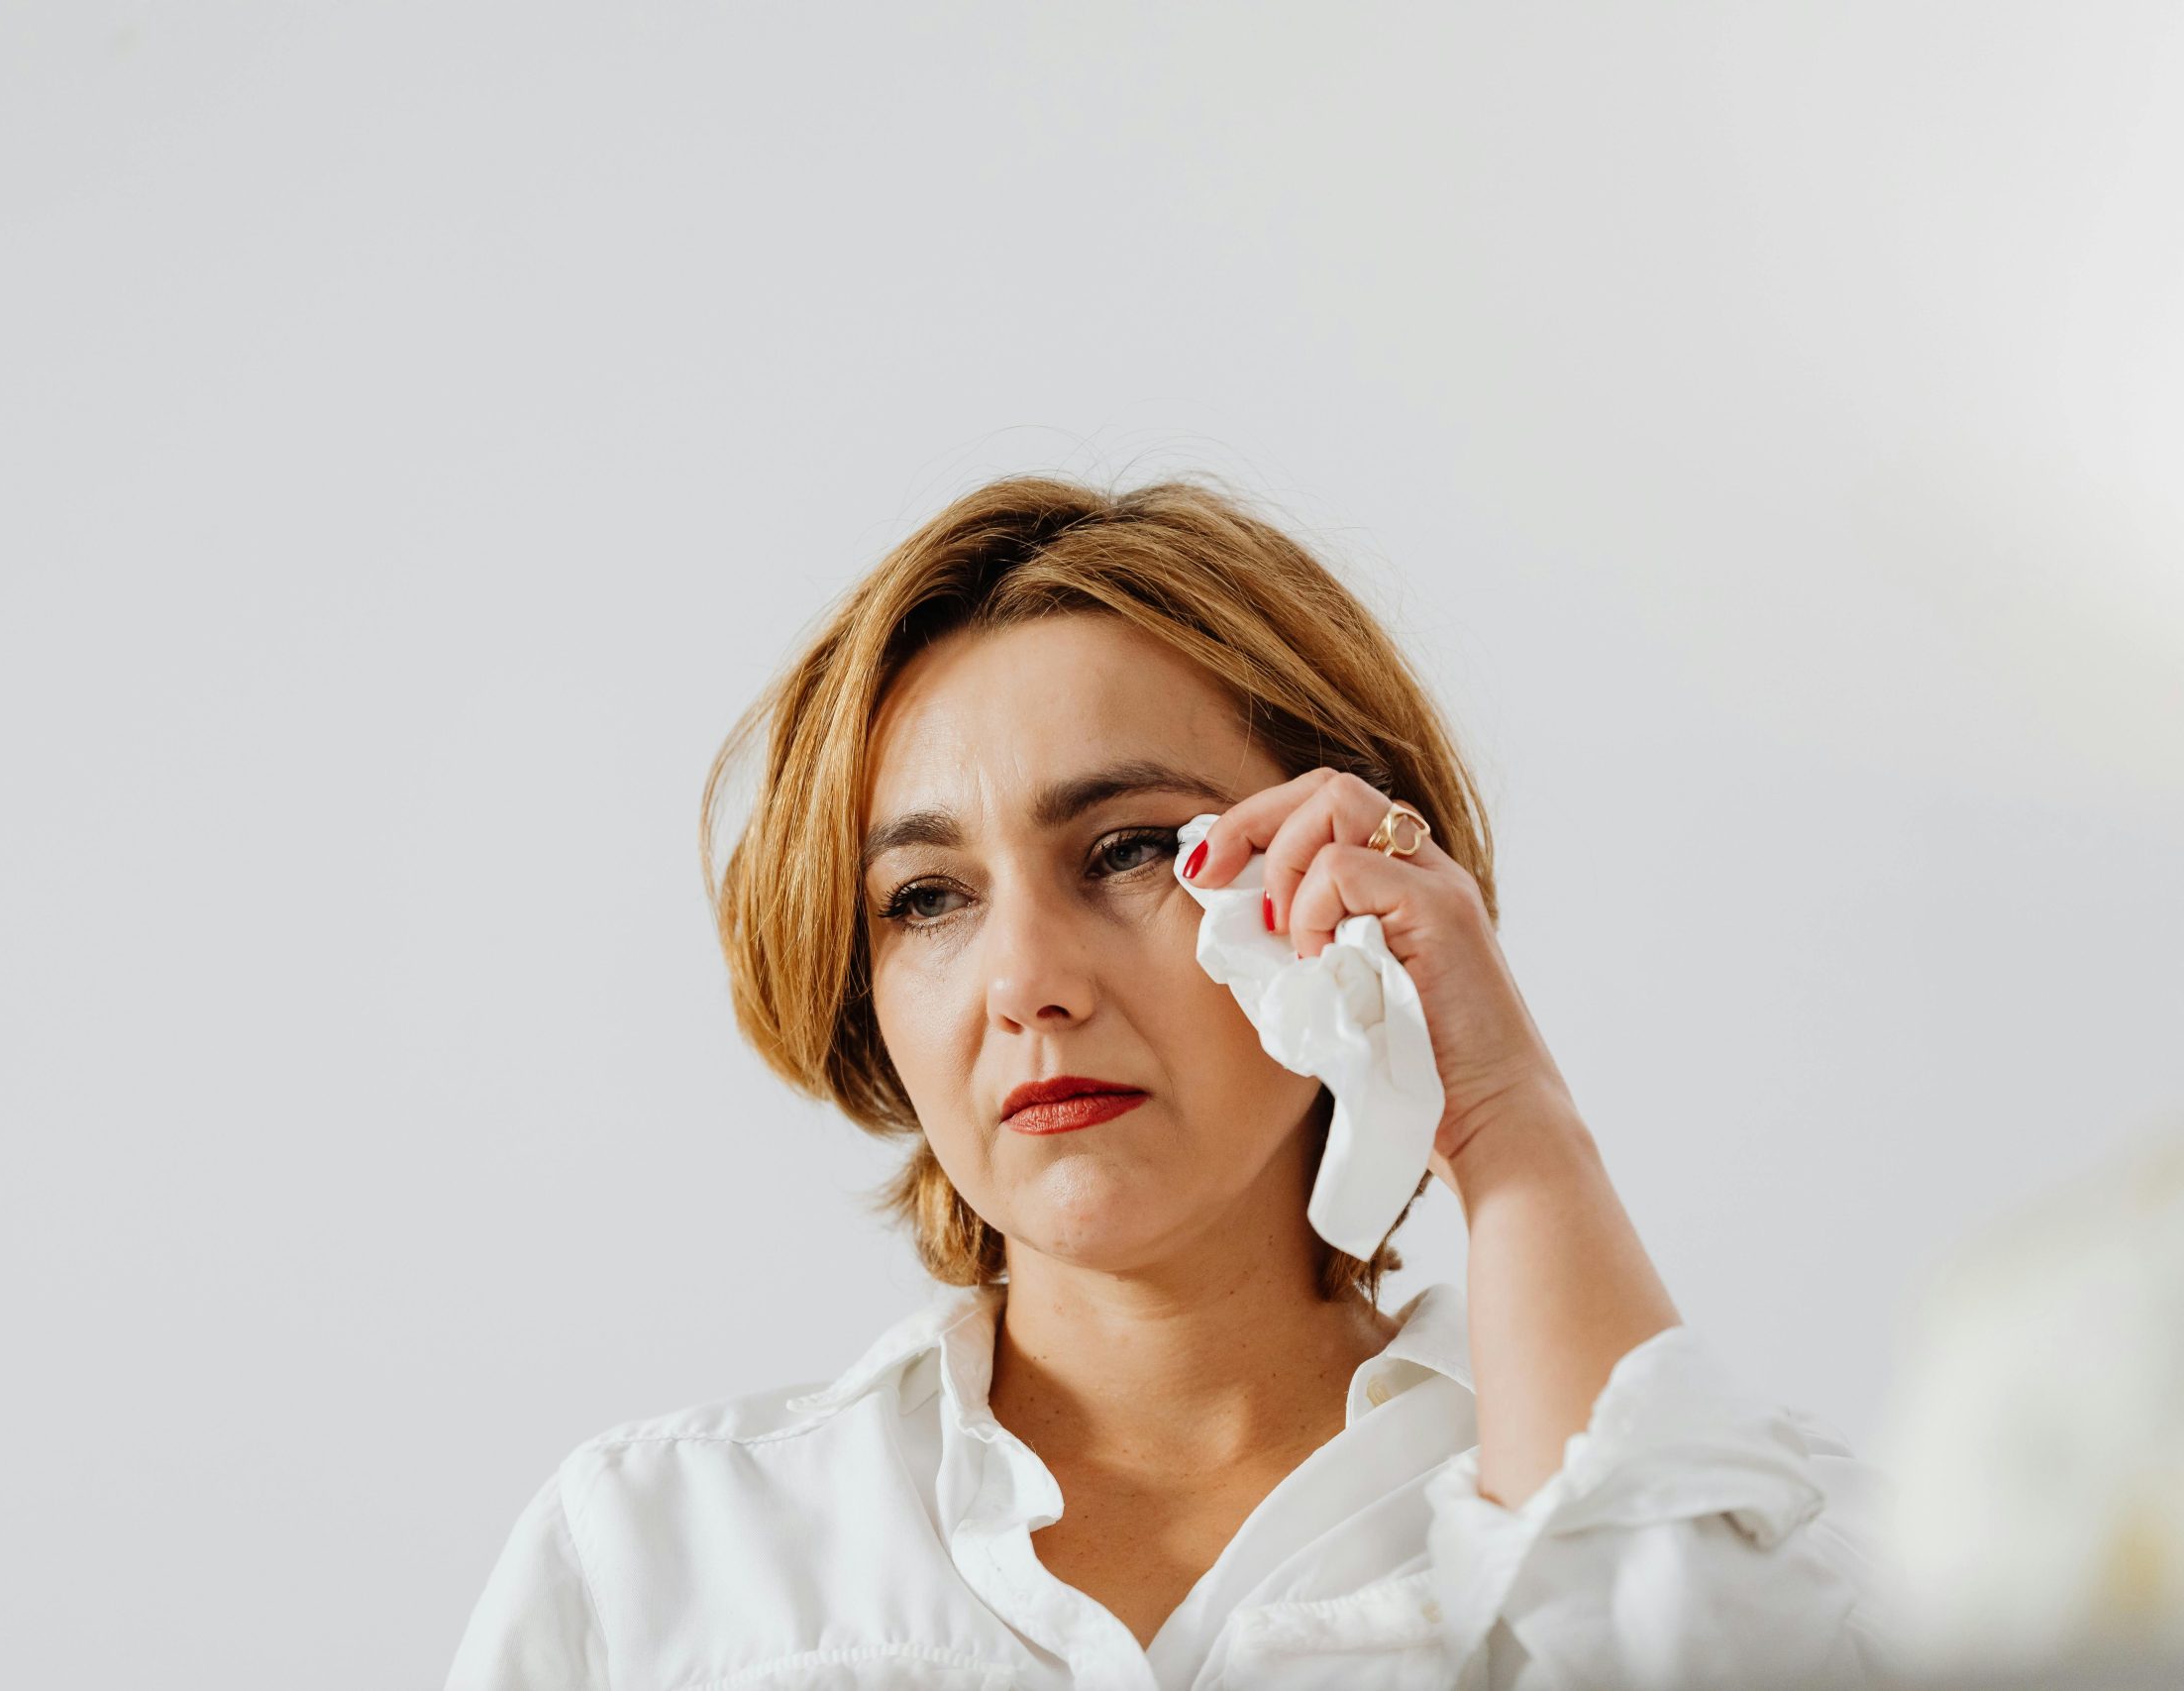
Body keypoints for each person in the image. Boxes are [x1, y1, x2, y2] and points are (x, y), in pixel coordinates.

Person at [444, 476, 1892, 1691]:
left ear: (1346, 884)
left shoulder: (1754, 1523)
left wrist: (1509, 1126)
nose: (1027, 980)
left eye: (1132, 851)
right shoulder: (655, 1562)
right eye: (928, 899)